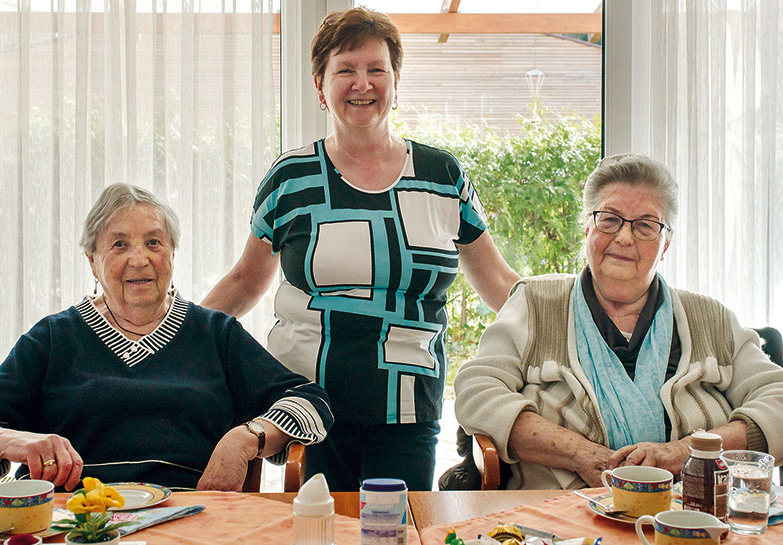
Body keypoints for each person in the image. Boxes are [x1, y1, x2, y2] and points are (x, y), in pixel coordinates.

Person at [201, 7, 520, 491]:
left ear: (396, 80)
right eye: (345, 70)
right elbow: (245, 281)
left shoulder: (443, 178)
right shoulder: (291, 178)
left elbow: (498, 283)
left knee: (392, 532)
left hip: (408, 402)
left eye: (376, 70)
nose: (362, 84)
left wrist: (566, 321)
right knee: (317, 533)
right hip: (306, 401)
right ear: (320, 85)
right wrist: (180, 337)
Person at [454, 153, 783, 490]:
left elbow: (779, 398)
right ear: (587, 228)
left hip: (694, 516)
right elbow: (476, 391)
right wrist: (581, 454)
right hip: (560, 517)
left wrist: (684, 453)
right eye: (609, 219)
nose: (624, 238)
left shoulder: (711, 318)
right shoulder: (535, 303)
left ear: (665, 244)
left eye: (645, 225)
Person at [0, 183, 333, 491]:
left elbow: (309, 401)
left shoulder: (213, 333)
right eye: (119, 245)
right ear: (92, 261)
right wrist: (14, 440)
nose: (140, 259)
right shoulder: (53, 338)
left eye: (153, 242)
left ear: (171, 254)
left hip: (193, 519)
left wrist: (247, 438)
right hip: (77, 520)